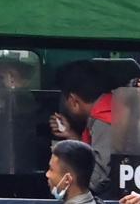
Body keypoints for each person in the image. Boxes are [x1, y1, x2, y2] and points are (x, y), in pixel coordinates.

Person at [48, 61, 112, 194]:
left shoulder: (104, 121)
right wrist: (70, 134)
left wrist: (64, 184)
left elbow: (96, 179)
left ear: (73, 101)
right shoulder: (110, 108)